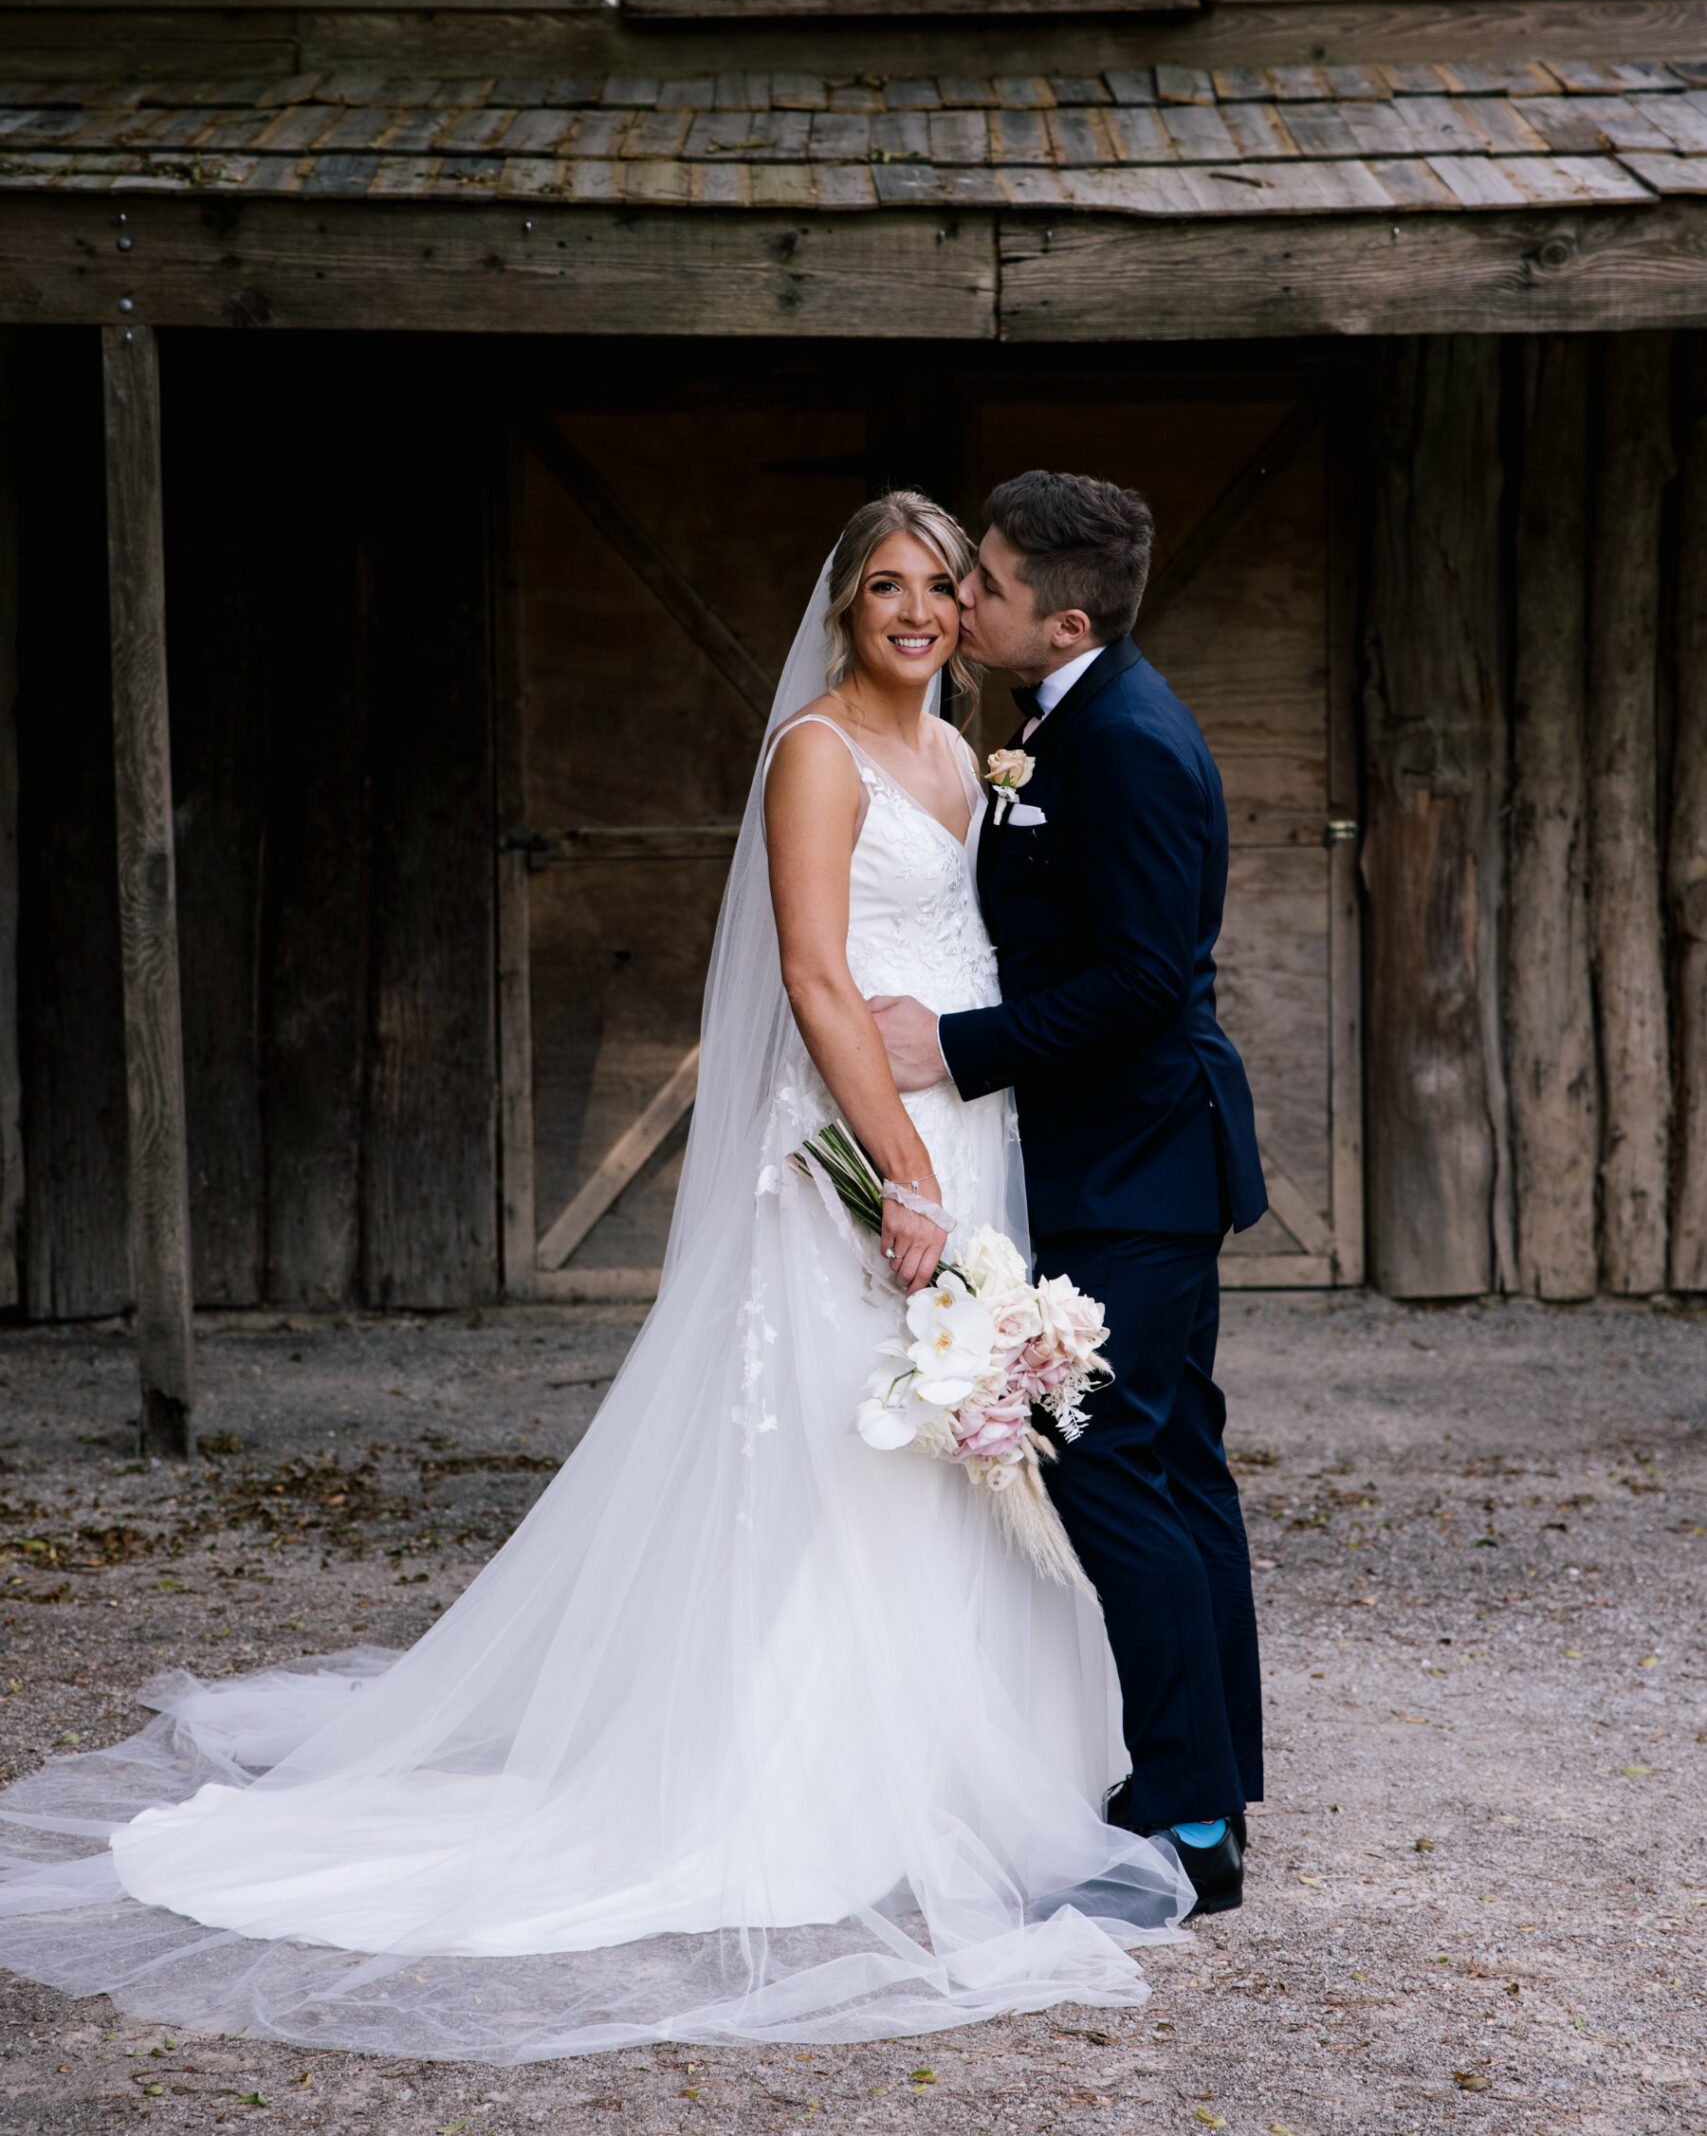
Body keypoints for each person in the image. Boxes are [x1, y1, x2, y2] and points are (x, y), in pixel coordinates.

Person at [0, 492, 1190, 2065]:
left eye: (940, 585)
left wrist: (963, 1145)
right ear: (842, 610)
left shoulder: (967, 758)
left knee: (949, 1454)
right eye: (887, 586)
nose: (918, 610)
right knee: (847, 1448)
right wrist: (898, 1173)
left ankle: (974, 1768)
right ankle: (808, 1775)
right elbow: (822, 978)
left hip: (976, 1141)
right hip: (868, 1150)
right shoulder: (817, 758)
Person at [870, 470, 1267, 1918]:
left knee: (1113, 1471)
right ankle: (1210, 1791)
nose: (961, 599)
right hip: (1122, 1159)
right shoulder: (1064, 722)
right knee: (1177, 1469)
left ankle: (1188, 1828)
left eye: (982, 584)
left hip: (1140, 1164)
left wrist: (953, 1046)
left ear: (1065, 616)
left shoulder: (1132, 745)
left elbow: (1148, 982)